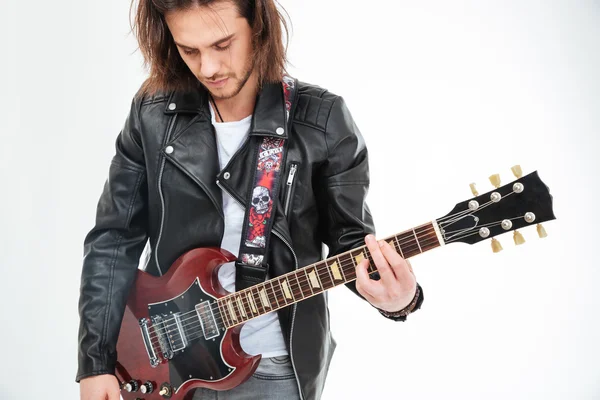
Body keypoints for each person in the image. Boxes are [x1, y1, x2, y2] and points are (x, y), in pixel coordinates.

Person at [76, 1, 424, 399]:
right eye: (190, 51)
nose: (208, 67)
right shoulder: (152, 113)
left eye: (223, 44)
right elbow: (113, 239)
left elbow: (353, 244)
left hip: (271, 370)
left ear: (258, 26)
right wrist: (96, 362)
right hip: (160, 362)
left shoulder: (322, 121)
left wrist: (399, 299)